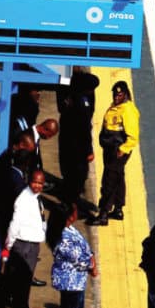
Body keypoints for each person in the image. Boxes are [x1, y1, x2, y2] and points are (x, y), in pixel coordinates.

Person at [48, 203, 97, 308]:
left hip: (77, 280)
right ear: (69, 217)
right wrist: (91, 265)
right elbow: (77, 258)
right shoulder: (64, 237)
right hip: (71, 282)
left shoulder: (68, 229)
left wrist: (91, 256)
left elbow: (84, 250)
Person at [90, 81, 139, 226]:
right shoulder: (115, 107)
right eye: (115, 95)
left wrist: (122, 150)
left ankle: (103, 213)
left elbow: (133, 136)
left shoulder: (127, 110)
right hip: (110, 149)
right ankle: (118, 209)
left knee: (108, 181)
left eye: (120, 95)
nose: (116, 97)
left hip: (118, 151)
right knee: (118, 177)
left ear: (125, 94)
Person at [5, 170, 47, 308]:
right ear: (29, 181)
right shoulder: (24, 200)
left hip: (32, 244)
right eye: (35, 182)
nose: (37, 186)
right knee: (21, 284)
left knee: (25, 282)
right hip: (23, 244)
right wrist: (9, 245)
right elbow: (15, 224)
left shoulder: (36, 199)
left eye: (41, 183)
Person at [57, 69, 100, 207]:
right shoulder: (82, 103)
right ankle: (71, 201)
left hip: (66, 140)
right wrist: (89, 150)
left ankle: (68, 193)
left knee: (67, 170)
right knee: (78, 175)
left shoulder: (68, 95)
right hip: (78, 146)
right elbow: (85, 129)